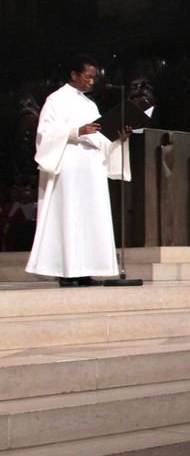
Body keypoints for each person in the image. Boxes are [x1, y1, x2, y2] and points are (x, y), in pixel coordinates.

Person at [26, 54, 131, 287]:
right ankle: (67, 271)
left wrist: (117, 139)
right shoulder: (56, 100)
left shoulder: (89, 104)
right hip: (69, 167)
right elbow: (45, 134)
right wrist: (76, 131)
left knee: (90, 218)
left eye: (94, 78)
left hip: (91, 169)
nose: (91, 82)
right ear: (74, 74)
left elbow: (100, 137)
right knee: (70, 217)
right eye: (88, 77)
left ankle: (87, 270)